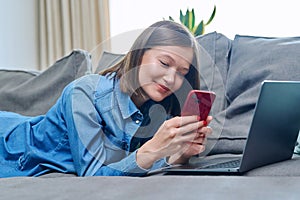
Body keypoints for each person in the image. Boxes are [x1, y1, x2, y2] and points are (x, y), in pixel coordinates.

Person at [0, 20, 212, 177]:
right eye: (164, 63)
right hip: (9, 142)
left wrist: (180, 154)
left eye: (182, 72)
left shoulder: (158, 107)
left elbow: (137, 164)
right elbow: (94, 176)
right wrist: (152, 149)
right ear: (139, 55)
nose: (171, 79)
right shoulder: (83, 93)